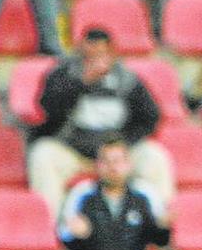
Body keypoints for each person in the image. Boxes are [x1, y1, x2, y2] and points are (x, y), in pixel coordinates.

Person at [29, 28, 173, 216]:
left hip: (117, 152)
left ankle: (157, 225)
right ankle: (49, 226)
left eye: (101, 55)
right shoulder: (63, 75)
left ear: (112, 54)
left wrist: (123, 144)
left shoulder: (127, 80)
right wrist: (81, 83)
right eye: (89, 56)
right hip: (74, 152)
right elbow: (48, 110)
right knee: (42, 155)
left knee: (155, 157)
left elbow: (151, 117)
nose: (95, 61)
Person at [58, 140, 170, 250]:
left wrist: (163, 227)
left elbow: (159, 241)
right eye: (106, 161)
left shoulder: (144, 195)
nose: (113, 167)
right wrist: (78, 236)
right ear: (97, 165)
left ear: (128, 164)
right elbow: (66, 240)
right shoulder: (83, 195)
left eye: (118, 161)